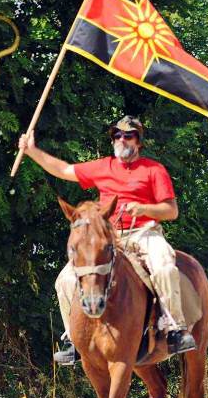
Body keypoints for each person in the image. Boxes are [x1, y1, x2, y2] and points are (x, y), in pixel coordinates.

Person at [18, 115, 196, 365]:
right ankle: (73, 340)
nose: (121, 140)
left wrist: (145, 209)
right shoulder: (103, 167)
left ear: (138, 142)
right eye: (117, 135)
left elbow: (171, 211)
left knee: (165, 266)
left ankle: (175, 329)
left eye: (128, 135)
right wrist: (32, 151)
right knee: (65, 280)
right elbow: (64, 170)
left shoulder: (154, 170)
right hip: (108, 238)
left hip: (144, 233)